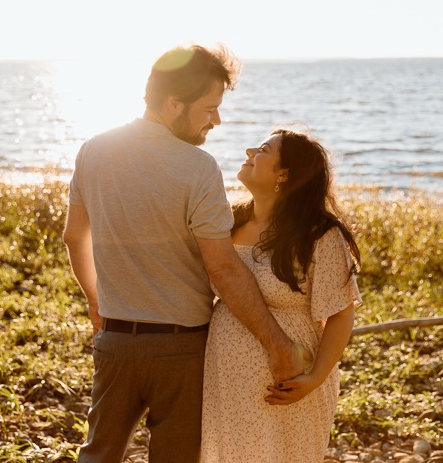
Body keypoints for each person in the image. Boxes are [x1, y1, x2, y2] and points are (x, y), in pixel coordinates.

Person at [63, 44, 307, 463]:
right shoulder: (197, 167)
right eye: (209, 108)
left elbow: (73, 237)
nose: (217, 119)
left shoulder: (93, 149)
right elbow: (223, 269)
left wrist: (96, 301)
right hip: (181, 349)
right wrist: (278, 344)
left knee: (97, 455)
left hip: (116, 341)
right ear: (174, 102)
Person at [201, 129, 363, 463]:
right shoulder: (228, 221)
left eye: (261, 150)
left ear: (283, 174)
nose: (248, 151)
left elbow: (341, 314)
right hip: (225, 376)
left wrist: (315, 378)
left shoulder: (320, 234)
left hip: (289, 380)